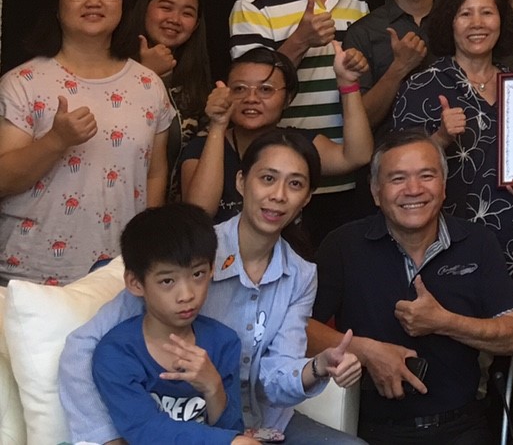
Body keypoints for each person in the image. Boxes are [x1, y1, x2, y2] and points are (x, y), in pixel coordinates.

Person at [61, 128, 365, 445]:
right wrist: (107, 438)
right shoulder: (190, 251)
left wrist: (317, 366)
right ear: (241, 182)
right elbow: (83, 347)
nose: (278, 195)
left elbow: (274, 379)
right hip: (188, 424)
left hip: (261, 420)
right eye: (267, 178)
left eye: (295, 184)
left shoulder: (301, 274)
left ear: (307, 198)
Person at [309, 131, 513, 445]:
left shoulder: (477, 242)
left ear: (444, 186)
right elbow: (296, 330)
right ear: (375, 191)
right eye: (397, 179)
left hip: (463, 426)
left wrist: (444, 322)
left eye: (427, 176)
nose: (413, 190)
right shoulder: (343, 246)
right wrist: (368, 351)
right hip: (372, 430)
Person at [0, 0, 175, 284]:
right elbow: (3, 180)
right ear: (58, 3)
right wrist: (56, 141)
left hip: (118, 273)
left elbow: (154, 173)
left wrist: (146, 250)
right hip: (30, 272)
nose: (94, 1)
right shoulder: (23, 82)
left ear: (122, 3)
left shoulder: (148, 84)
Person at [229, 0, 371, 241]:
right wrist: (300, 40)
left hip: (352, 171)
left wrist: (359, 62)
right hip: (286, 178)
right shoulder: (255, 3)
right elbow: (252, 92)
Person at [390, 0, 513, 301]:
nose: (477, 23)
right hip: (444, 240)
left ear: (501, 21)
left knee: (506, 323)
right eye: (465, 14)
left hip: (509, 239)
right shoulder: (421, 86)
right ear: (450, 23)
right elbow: (394, 166)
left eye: (487, 12)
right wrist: (440, 138)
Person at [87, 203, 250, 444]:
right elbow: (145, 431)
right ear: (135, 283)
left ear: (212, 270)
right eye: (167, 281)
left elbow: (232, 428)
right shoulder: (117, 353)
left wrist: (213, 386)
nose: (186, 295)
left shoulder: (224, 342)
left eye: (197, 274)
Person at [180, 45, 372, 226]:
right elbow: (199, 213)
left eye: (265, 89)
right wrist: (217, 125)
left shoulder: (296, 144)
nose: (251, 99)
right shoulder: (201, 147)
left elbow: (357, 156)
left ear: (287, 99)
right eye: (239, 89)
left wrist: (348, 84)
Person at [343, 0, 443, 129]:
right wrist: (399, 67)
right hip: (388, 148)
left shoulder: (458, 23)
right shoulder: (363, 32)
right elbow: (358, 122)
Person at [120, 0, 214, 174]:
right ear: (144, 9)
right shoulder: (112, 64)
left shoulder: (198, 84)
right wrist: (146, 75)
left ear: (196, 25)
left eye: (187, 13)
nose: (174, 19)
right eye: (166, 8)